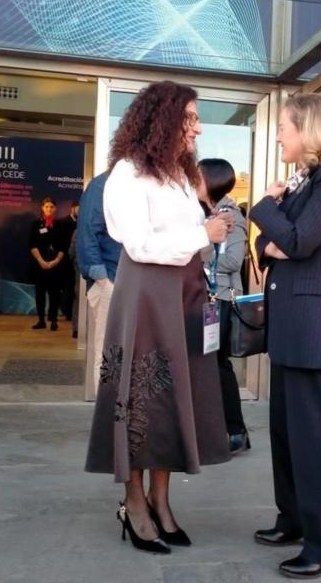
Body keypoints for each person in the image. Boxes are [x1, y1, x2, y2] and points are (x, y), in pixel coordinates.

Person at [85, 81, 232, 555]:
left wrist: (210, 233)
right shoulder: (127, 174)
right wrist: (201, 232)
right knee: (140, 396)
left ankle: (161, 501)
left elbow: (193, 237)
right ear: (163, 119)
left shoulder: (180, 175)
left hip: (184, 295)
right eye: (190, 118)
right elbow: (140, 243)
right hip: (147, 294)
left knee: (173, 399)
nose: (198, 128)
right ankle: (135, 504)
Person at [249, 93, 321, 579]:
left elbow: (297, 241)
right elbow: (269, 247)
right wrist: (275, 230)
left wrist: (265, 207)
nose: (278, 135)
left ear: (309, 131)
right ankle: (293, 519)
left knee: (314, 440)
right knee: (285, 432)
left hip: (312, 327)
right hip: (290, 324)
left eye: (285, 127)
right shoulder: (303, 183)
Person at [197, 157, 251, 454]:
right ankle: (224, 428)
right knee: (211, 366)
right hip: (208, 299)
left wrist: (194, 248)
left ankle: (235, 430)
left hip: (221, 301)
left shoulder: (231, 215)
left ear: (211, 181)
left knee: (219, 366)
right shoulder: (207, 213)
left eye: (198, 177)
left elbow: (232, 261)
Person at [75, 171, 121, 398]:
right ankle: (108, 423)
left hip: (131, 283)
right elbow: (87, 234)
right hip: (111, 281)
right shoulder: (102, 185)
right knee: (109, 354)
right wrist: (103, 280)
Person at [28, 197, 65, 331]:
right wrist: (42, 261)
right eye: (46, 206)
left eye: (51, 206)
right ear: (42, 208)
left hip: (56, 266)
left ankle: (54, 320)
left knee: (54, 294)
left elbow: (63, 247)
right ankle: (41, 320)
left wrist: (55, 262)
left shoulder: (60, 225)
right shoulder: (36, 225)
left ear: (55, 209)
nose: (49, 209)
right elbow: (32, 245)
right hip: (40, 266)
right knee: (40, 293)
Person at [57, 201, 79, 325]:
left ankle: (72, 314)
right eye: (78, 209)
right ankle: (67, 312)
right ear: (73, 208)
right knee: (67, 287)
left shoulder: (82, 224)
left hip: (77, 262)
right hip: (65, 260)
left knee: (75, 290)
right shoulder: (62, 223)